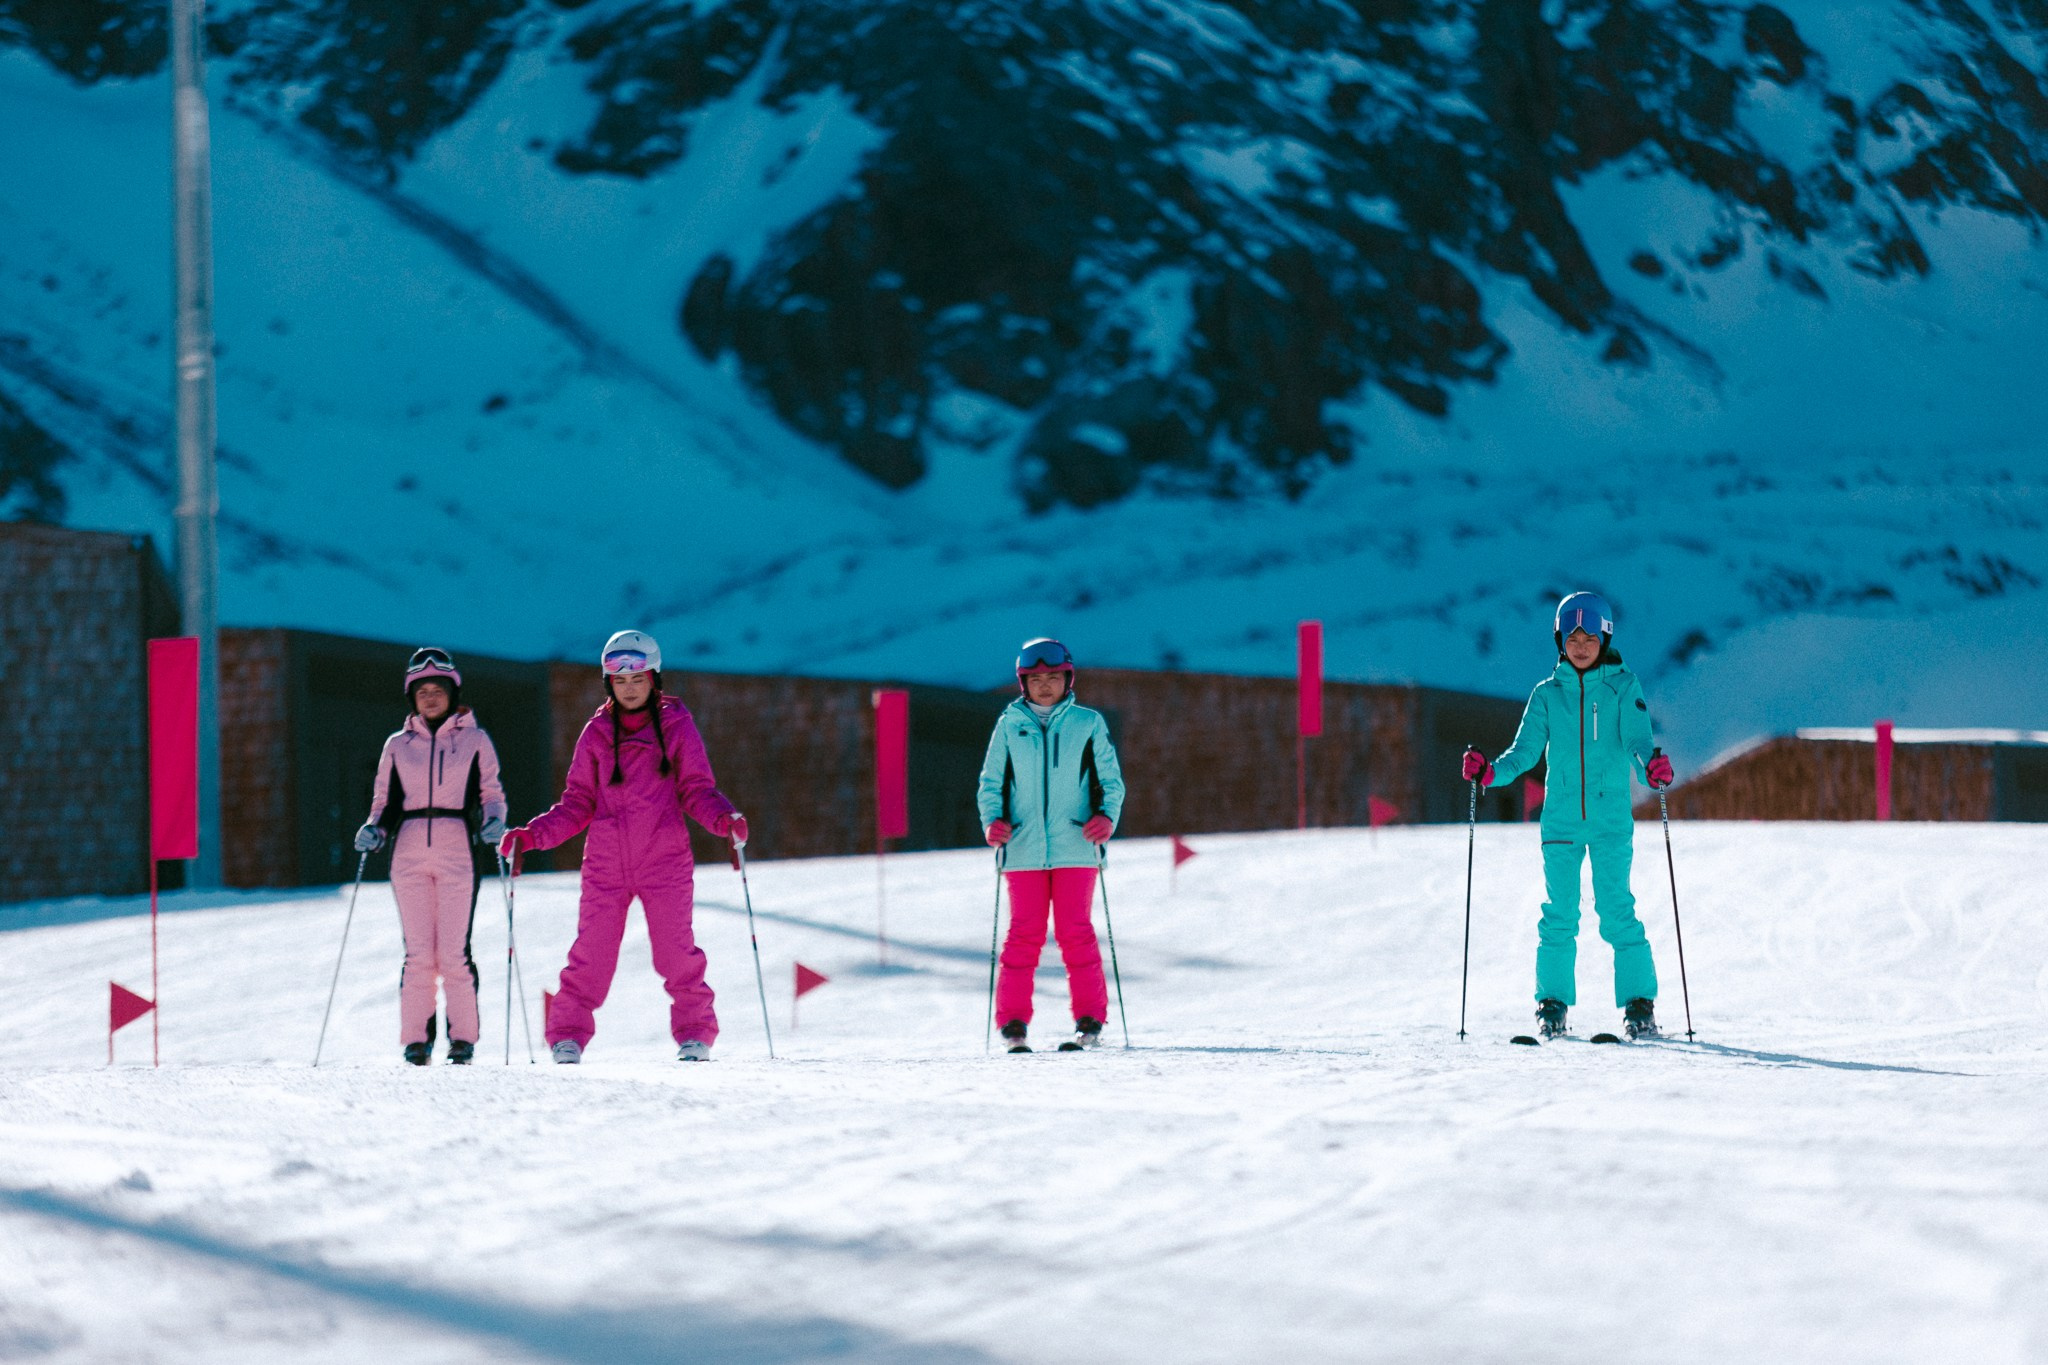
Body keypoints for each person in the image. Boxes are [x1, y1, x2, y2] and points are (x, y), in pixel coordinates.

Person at [498, 631, 747, 1063]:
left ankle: (695, 1034)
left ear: (654, 678)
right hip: (606, 864)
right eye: (619, 679)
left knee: (675, 952)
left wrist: (724, 820)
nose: (629, 687)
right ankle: (567, 1036)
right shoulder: (596, 733)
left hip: (664, 859)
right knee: (590, 955)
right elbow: (577, 802)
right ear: (608, 684)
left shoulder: (676, 726)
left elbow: (696, 788)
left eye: (637, 678)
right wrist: (532, 836)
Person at [1461, 593, 1675, 1040]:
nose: (1580, 645)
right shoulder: (1546, 695)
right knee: (1559, 913)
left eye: (1589, 636)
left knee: (1616, 909)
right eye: (1572, 636)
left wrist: (1651, 769)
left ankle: (1640, 1005)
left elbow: (1638, 743)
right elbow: (1522, 756)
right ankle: (1551, 1003)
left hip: (1610, 819)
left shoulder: (1623, 688)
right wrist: (1489, 773)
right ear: (1560, 640)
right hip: (1560, 820)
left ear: (1605, 638)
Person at [354, 647, 508, 1066]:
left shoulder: (476, 740)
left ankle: (463, 1040)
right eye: (423, 691)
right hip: (407, 852)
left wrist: (495, 821)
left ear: (453, 693)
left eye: (439, 689)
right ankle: (416, 1041)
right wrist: (374, 829)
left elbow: (491, 793)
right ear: (412, 697)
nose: (431, 697)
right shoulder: (397, 745)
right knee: (419, 952)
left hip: (457, 845)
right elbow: (384, 802)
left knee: (454, 951)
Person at [976, 638, 1126, 1053]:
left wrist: (1105, 817)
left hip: (1077, 845)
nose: (1045, 685)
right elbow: (990, 783)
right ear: (1023, 683)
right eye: (1036, 678)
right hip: (1022, 848)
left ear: (1067, 679)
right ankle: (1013, 1025)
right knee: (1023, 934)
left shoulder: (1087, 723)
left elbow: (1110, 782)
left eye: (1053, 677)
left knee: (1075, 931)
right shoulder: (1009, 725)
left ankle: (1089, 1021)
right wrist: (993, 822)